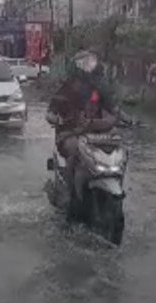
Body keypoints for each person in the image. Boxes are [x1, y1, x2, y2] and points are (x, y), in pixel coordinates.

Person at [45, 50, 131, 212]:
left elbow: (113, 109)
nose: (88, 67)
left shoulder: (101, 88)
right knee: (74, 150)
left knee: (121, 151)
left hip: (97, 133)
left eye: (90, 62)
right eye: (84, 63)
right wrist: (55, 118)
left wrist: (128, 119)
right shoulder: (67, 87)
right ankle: (71, 196)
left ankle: (114, 182)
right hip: (70, 133)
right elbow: (51, 110)